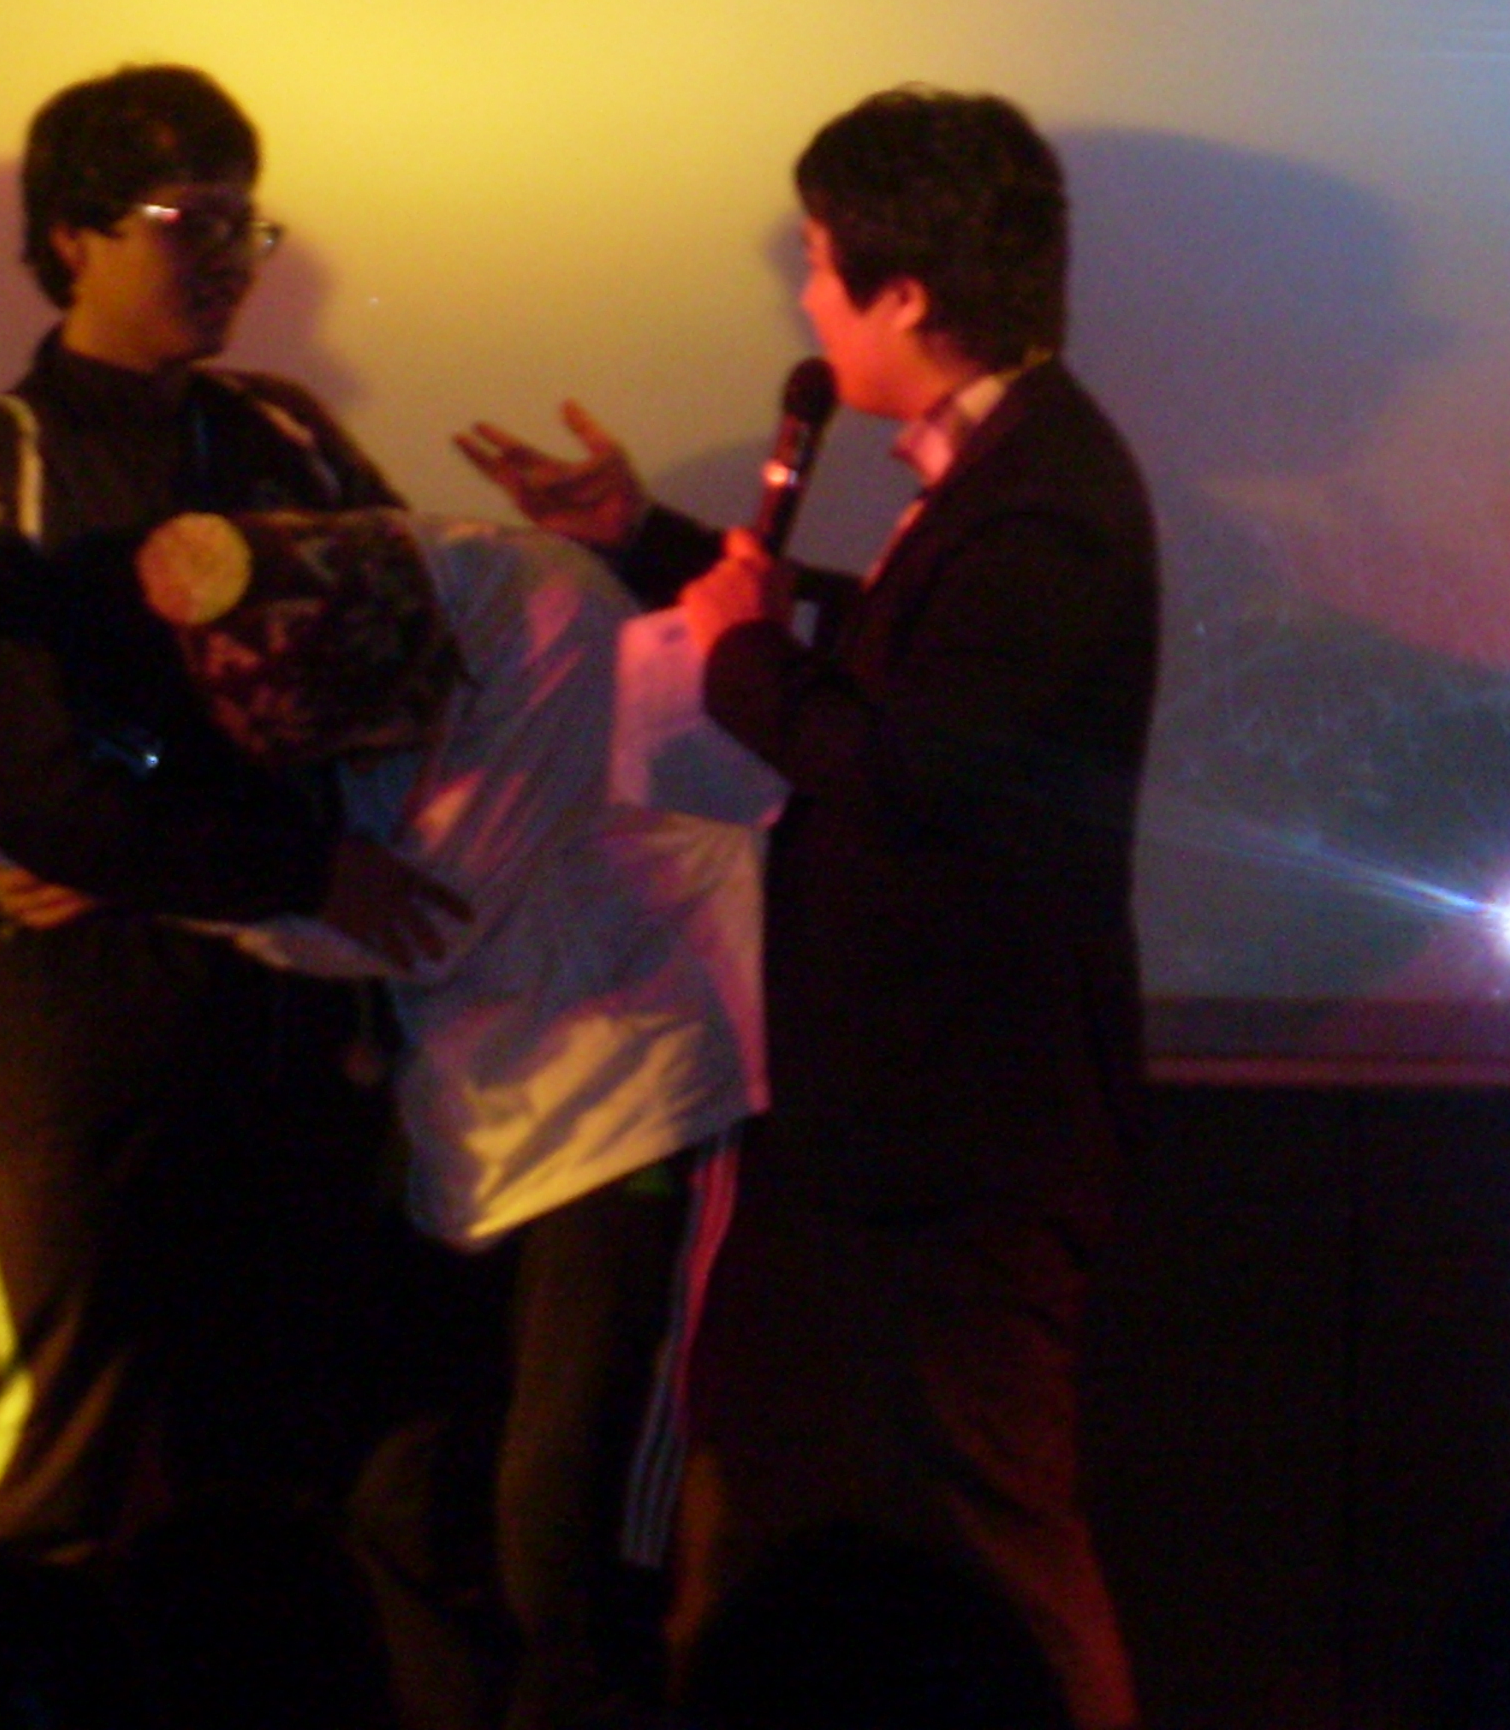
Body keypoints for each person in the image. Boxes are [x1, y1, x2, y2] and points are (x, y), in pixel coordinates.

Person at [459, 86, 1157, 1729]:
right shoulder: (1008, 475)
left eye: (823, 263)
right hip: (885, 1123)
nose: (806, 296)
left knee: (999, 1527)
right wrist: (646, 541)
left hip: (964, 1131)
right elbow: (900, 664)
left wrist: (739, 658)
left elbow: (903, 759)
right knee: (782, 1503)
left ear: (903, 293)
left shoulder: (1047, 499)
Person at [0, 65, 451, 1562]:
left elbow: (417, 661)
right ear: (71, 236)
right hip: (92, 1035)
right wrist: (292, 863)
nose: (224, 258)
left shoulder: (288, 438)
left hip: (295, 1033)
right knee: (38, 1471)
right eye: (181, 220)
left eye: (243, 224)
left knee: (279, 1478)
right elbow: (34, 796)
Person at [135, 504, 766, 1730]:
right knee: (403, 1501)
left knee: (562, 1532)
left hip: (630, 1105)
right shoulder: (348, 619)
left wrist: (164, 882)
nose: (388, 751)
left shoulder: (546, 613)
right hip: (477, 1127)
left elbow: (427, 915)